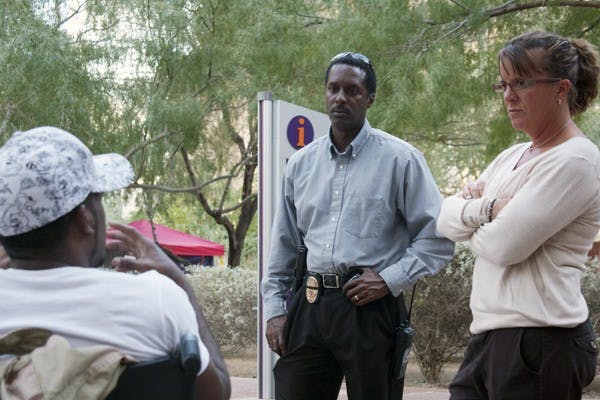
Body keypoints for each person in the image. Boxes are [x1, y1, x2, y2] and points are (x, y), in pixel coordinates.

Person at [261, 51, 455, 399]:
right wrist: (275, 310)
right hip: (310, 304)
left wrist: (388, 279)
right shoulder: (301, 165)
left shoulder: (401, 159)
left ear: (369, 99)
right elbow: (284, 245)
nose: (340, 98)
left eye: (352, 90)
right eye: (333, 89)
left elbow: (437, 240)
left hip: (370, 309)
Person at [0, 126, 230, 400]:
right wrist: (181, 284)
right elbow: (217, 394)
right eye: (99, 199)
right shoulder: (157, 299)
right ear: (85, 218)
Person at [437, 31, 600, 400]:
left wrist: (469, 223)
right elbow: (443, 217)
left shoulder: (576, 160)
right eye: (504, 84)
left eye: (521, 83)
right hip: (490, 336)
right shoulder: (510, 157)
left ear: (561, 89)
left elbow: (505, 245)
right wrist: (489, 210)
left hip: (540, 342)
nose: (509, 95)